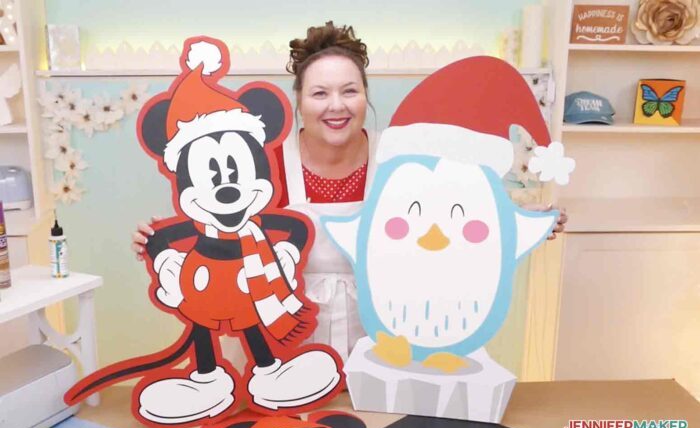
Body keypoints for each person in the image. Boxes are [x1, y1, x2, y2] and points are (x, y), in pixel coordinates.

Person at [132, 21, 568, 361]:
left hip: (385, 339)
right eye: (320, 93)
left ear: (365, 96)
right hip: (283, 342)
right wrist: (161, 244)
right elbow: (220, 236)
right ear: (299, 100)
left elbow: (457, 219)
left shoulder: (400, 160)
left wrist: (525, 225)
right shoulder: (262, 167)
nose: (336, 105)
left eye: (349, 91)